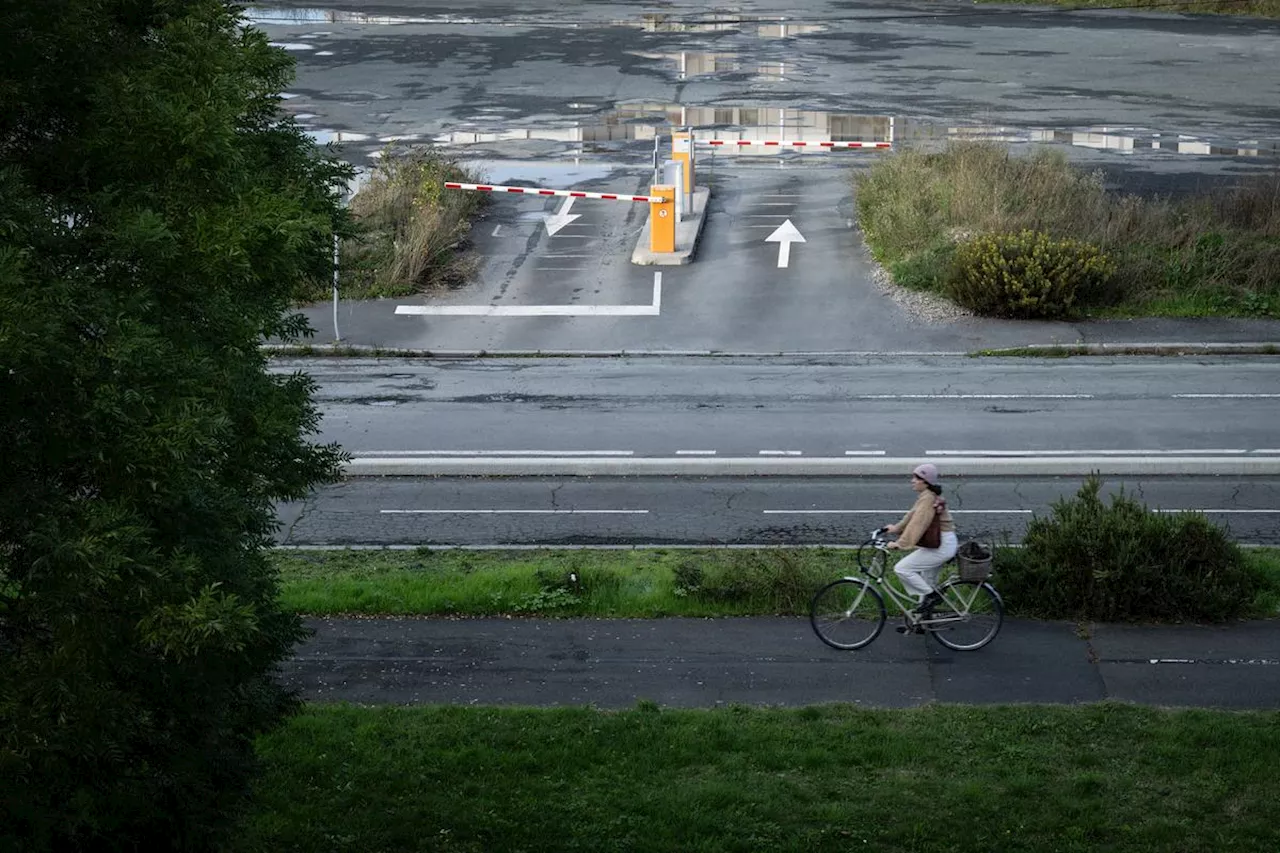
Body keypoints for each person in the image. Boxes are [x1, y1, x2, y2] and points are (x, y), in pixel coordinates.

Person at [885, 462, 957, 612]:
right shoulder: (927, 496)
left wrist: (900, 543)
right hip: (941, 543)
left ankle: (932, 597)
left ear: (926, 482)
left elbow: (918, 523)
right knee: (927, 581)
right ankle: (922, 621)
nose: (912, 481)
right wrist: (896, 528)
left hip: (942, 546)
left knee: (902, 568)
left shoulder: (928, 499)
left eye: (916, 478)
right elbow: (911, 515)